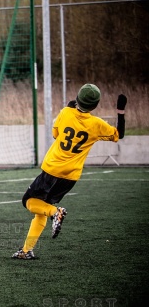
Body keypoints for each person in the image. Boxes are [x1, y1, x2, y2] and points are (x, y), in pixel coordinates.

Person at [12, 84, 127, 259]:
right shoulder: (97, 124)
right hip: (71, 176)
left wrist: (70, 107)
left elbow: (56, 134)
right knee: (41, 208)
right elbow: (119, 134)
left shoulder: (65, 112)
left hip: (52, 169)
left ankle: (55, 213)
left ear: (78, 99)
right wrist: (120, 111)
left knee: (28, 201)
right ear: (95, 105)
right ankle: (27, 250)